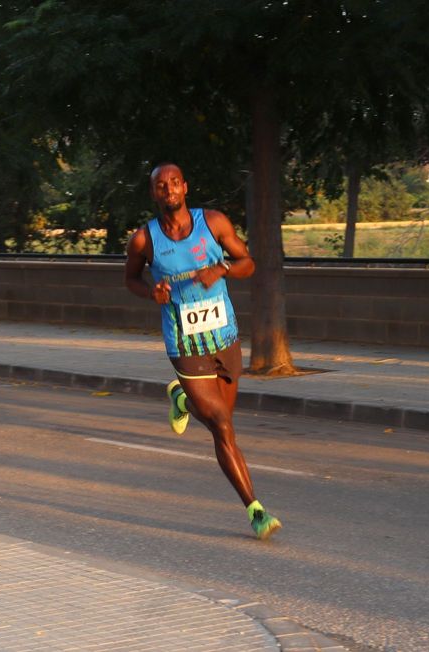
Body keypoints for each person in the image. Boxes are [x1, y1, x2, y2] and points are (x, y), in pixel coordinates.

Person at [124, 162, 282, 540]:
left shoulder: (213, 223)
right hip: (184, 342)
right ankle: (255, 509)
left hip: (224, 336)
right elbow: (130, 279)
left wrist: (222, 268)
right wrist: (151, 292)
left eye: (174, 183)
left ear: (185, 187)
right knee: (222, 426)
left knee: (222, 419)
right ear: (153, 193)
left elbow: (248, 263)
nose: (168, 189)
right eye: (161, 185)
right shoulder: (144, 240)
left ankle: (180, 397)